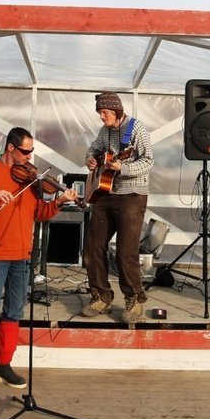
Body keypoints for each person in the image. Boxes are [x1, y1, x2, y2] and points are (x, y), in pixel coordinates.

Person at [0, 127, 76, 401]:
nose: (29, 157)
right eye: (24, 151)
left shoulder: (30, 180)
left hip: (22, 254)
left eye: (32, 151)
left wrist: (58, 201)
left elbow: (40, 213)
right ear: (10, 147)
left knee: (14, 311)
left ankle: (2, 365)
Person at [81, 92, 154, 324]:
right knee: (92, 247)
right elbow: (93, 149)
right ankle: (101, 296)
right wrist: (91, 158)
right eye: (100, 113)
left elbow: (148, 161)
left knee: (126, 251)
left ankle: (133, 300)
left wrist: (123, 167)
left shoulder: (137, 129)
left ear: (117, 112)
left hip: (132, 195)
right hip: (105, 192)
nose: (101, 117)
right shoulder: (105, 131)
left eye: (105, 113)